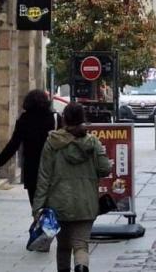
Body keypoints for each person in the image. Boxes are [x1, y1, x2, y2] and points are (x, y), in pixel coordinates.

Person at [32, 102, 110, 272]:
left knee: (64, 246)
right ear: (83, 119)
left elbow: (44, 177)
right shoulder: (93, 142)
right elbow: (105, 169)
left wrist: (37, 207)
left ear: (64, 119)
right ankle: (81, 267)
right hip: (86, 203)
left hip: (59, 203)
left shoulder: (52, 143)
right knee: (81, 245)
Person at [0, 90, 59, 205]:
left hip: (32, 168)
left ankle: (38, 220)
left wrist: (0, 160)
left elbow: (14, 143)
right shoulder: (54, 118)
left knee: (36, 206)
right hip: (52, 167)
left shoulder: (24, 120)